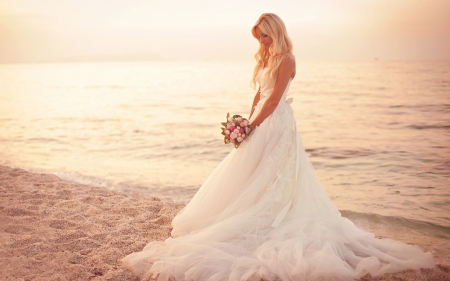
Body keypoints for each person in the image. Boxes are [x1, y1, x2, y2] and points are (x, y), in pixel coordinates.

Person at [121, 13, 435, 281]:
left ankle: (280, 215)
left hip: (279, 122)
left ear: (277, 32)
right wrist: (246, 121)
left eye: (266, 36)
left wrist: (253, 125)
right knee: (253, 173)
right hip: (261, 121)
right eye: (259, 38)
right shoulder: (266, 57)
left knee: (280, 175)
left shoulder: (288, 59)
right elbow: (259, 96)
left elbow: (274, 99)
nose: (263, 43)